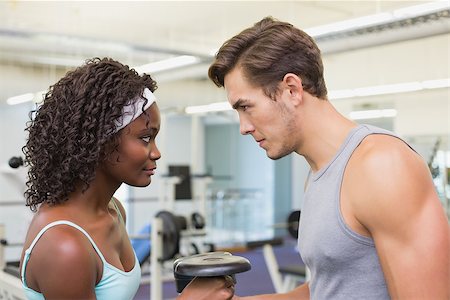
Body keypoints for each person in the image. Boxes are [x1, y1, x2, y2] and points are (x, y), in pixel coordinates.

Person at [208, 17, 450, 299]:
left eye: (246, 107)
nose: (244, 127)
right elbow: (324, 290)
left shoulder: (381, 165)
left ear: (291, 90)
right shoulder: (320, 172)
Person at [19, 57, 235, 300]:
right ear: (100, 141)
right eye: (145, 138)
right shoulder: (64, 245)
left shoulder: (115, 210)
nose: (156, 152)